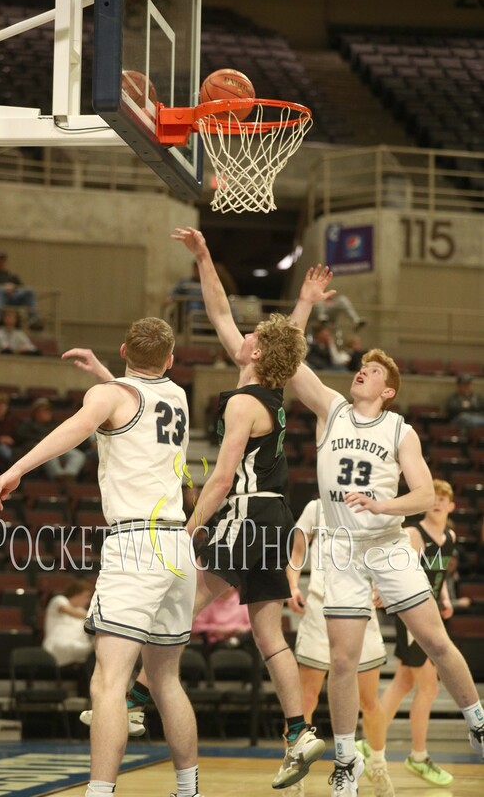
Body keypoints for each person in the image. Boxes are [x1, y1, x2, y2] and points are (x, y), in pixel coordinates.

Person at [0, 316, 201, 797]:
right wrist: (105, 372)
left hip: (137, 542)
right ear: (170, 360)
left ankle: (99, 793)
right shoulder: (178, 395)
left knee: (109, 680)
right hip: (177, 545)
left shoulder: (111, 396)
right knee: (167, 681)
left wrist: (17, 469)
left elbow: (82, 424)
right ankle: (189, 790)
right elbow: (132, 402)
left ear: (126, 349)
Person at [166, 226, 333, 790]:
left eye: (251, 334)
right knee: (270, 636)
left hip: (244, 514)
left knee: (177, 607)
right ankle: (299, 732)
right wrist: (205, 255)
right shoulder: (272, 387)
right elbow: (222, 314)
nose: (238, 333)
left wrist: (191, 525)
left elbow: (220, 474)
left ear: (255, 352)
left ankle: (136, 698)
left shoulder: (242, 401)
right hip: (275, 519)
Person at [289, 338, 484, 795]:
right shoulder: (332, 410)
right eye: (360, 366)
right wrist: (303, 304)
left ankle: (478, 721)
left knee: (435, 639)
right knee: (342, 661)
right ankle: (344, 762)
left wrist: (382, 505)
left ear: (389, 389)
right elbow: (293, 364)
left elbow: (421, 495)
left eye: (372, 370)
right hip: (340, 548)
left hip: (386, 541)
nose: (362, 372)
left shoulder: (400, 430)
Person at [287, 499, 393, 797]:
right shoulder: (316, 507)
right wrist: (293, 586)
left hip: (361, 607)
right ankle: (296, 769)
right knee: (304, 700)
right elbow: (297, 549)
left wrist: (385, 587)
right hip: (320, 605)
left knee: (370, 701)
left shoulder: (373, 504)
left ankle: (378, 764)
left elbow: (387, 552)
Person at [372, 479, 458, 787]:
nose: (436, 502)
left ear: (451, 505)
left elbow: (441, 573)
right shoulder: (413, 534)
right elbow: (394, 568)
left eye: (442, 498)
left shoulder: (449, 536)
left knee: (403, 683)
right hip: (412, 615)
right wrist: (379, 589)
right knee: (429, 688)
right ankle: (418, 755)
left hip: (432, 614)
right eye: (432, 497)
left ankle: (371, 740)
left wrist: (445, 597)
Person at [16, 398, 86, 482]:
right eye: (43, 411)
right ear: (36, 413)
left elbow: (63, 436)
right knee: (50, 455)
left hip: (57, 446)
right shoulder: (28, 424)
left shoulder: (54, 424)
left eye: (48, 411)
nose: (47, 413)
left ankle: (69, 476)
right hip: (38, 448)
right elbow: (21, 437)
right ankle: (58, 477)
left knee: (77, 455)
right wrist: (40, 440)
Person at [0, 251, 43, 329]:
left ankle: (33, 319)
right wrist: (4, 287)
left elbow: (21, 287)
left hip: (12, 298)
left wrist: (13, 287)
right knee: (0, 289)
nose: (0, 261)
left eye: (2, 259)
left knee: (30, 290)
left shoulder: (11, 276)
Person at [43, 579, 94, 667]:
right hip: (56, 646)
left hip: (78, 647)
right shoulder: (59, 601)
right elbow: (71, 612)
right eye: (86, 596)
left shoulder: (82, 612)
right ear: (76, 594)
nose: (88, 601)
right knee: (75, 647)